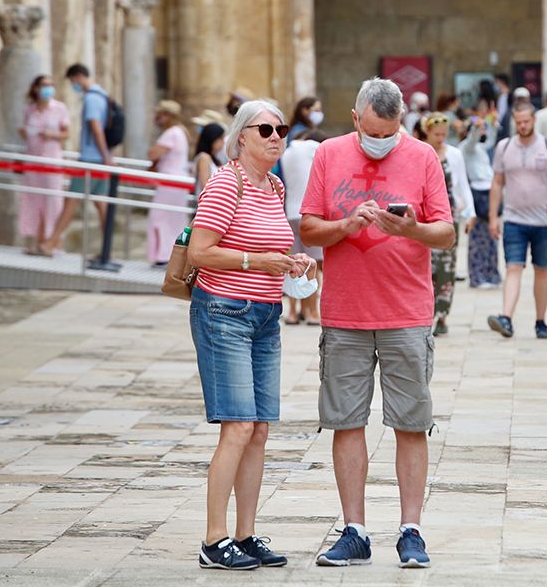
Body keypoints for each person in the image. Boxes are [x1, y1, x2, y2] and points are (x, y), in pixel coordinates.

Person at [300, 78, 454, 569]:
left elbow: (447, 233)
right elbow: (306, 227)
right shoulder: (328, 154)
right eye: (373, 133)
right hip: (345, 312)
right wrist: (347, 224)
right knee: (346, 421)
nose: (381, 142)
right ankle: (354, 529)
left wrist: (411, 229)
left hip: (406, 311)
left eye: (390, 134)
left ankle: (411, 529)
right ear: (355, 119)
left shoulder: (424, 158)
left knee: (411, 422)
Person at [186, 99, 312, 571]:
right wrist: (257, 263)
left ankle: (246, 533)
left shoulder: (275, 186)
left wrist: (296, 262)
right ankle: (213, 539)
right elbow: (201, 252)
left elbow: (271, 244)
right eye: (265, 130)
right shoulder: (225, 183)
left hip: (265, 315)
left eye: (281, 129)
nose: (276, 136)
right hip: (224, 313)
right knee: (237, 426)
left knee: (258, 430)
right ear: (241, 137)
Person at [486, 101, 547, 340]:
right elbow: (497, 183)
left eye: (527, 121)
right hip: (514, 219)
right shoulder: (505, 147)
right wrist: (493, 217)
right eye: (519, 122)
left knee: (541, 269)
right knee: (513, 267)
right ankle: (506, 318)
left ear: (534, 120)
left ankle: (540, 321)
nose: (522, 126)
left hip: (543, 221)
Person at [40, 63, 111, 255]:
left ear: (79, 77)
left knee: (71, 202)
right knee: (101, 204)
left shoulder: (91, 99)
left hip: (91, 160)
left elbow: (96, 128)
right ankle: (107, 249)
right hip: (100, 160)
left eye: (73, 81)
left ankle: (51, 242)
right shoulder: (102, 95)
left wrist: (105, 156)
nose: (74, 85)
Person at [419, 113, 473, 336]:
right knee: (427, 264)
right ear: (427, 132)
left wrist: (470, 212)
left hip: (449, 213)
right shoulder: (421, 152)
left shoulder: (454, 154)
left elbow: (462, 184)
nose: (441, 138)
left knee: (448, 266)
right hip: (425, 216)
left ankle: (442, 313)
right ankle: (426, 311)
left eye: (444, 134)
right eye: (436, 134)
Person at [17, 75, 71, 255]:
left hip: (51, 159)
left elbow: (67, 133)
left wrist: (52, 134)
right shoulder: (29, 109)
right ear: (36, 88)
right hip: (32, 160)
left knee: (53, 201)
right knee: (33, 200)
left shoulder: (59, 108)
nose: (48, 88)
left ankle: (53, 242)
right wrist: (26, 132)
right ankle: (37, 241)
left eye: (51, 85)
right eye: (45, 85)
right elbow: (25, 131)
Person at [280, 128, 325, 325]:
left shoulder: (288, 152)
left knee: (294, 264)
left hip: (290, 212)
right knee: (314, 266)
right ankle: (313, 312)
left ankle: (292, 311)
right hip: (310, 213)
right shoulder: (314, 148)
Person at [460, 103, 501, 288]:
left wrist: (492, 123)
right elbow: (473, 139)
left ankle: (491, 274)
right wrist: (477, 126)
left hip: (489, 190)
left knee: (491, 236)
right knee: (478, 238)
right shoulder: (466, 147)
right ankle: (477, 276)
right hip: (477, 193)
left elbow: (490, 140)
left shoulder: (481, 149)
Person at [147, 100, 192, 266]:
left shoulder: (171, 133)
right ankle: (172, 255)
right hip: (177, 182)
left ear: (167, 116)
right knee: (174, 220)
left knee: (159, 218)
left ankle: (163, 255)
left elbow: (153, 154)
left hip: (170, 182)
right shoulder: (181, 132)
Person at [193, 123, 227, 195]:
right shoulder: (204, 158)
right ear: (212, 138)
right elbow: (205, 185)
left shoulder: (215, 159)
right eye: (220, 138)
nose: (223, 142)